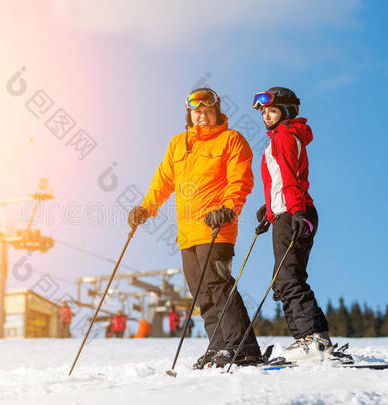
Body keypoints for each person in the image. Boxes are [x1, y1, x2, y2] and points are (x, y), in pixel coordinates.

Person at [128, 88, 261, 368]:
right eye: (197, 111)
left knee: (219, 286)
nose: (202, 116)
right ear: (189, 114)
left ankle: (243, 348)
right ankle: (219, 347)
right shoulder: (178, 144)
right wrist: (146, 207)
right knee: (202, 295)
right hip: (187, 234)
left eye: (208, 111)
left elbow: (240, 181)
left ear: (217, 113)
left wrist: (227, 209)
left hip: (217, 227)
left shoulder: (231, 140)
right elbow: (163, 180)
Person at [252, 87, 332, 362]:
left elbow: (289, 178)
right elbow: (280, 182)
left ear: (286, 112)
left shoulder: (285, 136)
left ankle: (313, 338)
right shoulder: (280, 138)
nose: (266, 116)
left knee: (289, 279)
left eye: (272, 111)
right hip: (287, 212)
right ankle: (310, 338)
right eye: (263, 112)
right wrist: (270, 211)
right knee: (284, 280)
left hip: (294, 212)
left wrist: (294, 212)